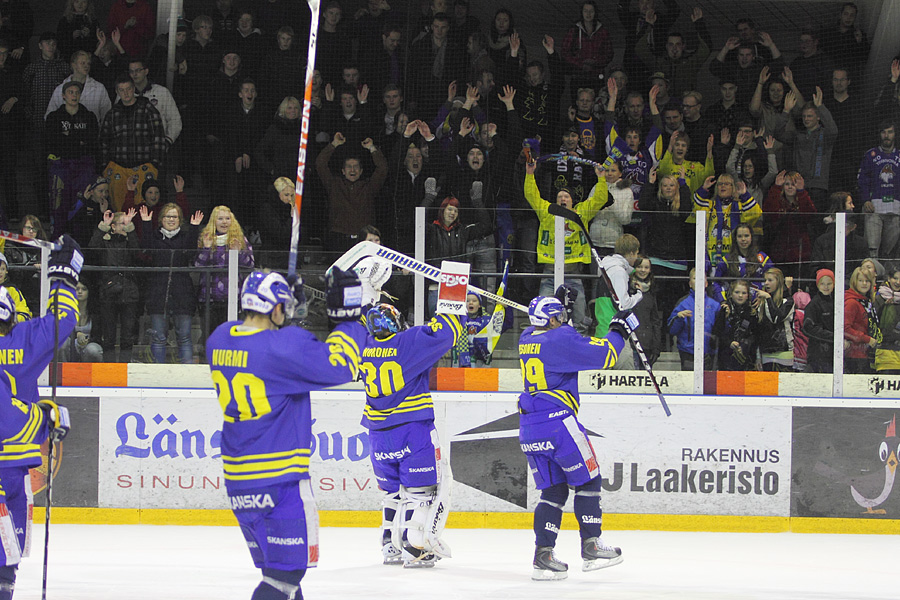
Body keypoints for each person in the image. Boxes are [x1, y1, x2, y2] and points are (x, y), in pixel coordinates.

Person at [206, 268, 368, 600]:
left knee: (280, 575)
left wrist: (287, 310)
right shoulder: (283, 348)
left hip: (240, 482)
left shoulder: (219, 338)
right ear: (276, 309)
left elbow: (273, 349)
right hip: (279, 482)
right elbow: (341, 366)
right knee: (285, 577)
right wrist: (347, 318)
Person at [518, 295, 632, 580]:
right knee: (589, 480)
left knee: (554, 492)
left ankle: (543, 556)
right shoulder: (561, 339)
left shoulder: (525, 336)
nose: (566, 320)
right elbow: (606, 354)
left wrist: (553, 300)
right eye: (561, 316)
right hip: (558, 424)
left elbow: (551, 330)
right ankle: (592, 546)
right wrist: (619, 329)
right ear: (554, 320)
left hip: (529, 426)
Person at [0, 233, 81, 600]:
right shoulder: (24, 338)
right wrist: (64, 273)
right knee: (7, 556)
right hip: (13, 466)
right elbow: (63, 318)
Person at [361, 303, 462, 567]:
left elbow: (361, 313)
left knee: (392, 493)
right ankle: (415, 546)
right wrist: (455, 297)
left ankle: (390, 546)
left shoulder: (364, 345)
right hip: (411, 430)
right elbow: (448, 331)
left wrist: (369, 291)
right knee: (421, 494)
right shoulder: (408, 342)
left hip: (378, 434)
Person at [524, 158, 610, 332]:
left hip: (574, 274)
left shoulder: (582, 213)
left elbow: (600, 198)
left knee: (579, 320)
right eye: (559, 196)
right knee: (543, 317)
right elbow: (531, 195)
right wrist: (529, 174)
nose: (562, 199)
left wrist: (601, 178)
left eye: (566, 196)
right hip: (549, 274)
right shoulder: (547, 212)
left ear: (572, 201)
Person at [139, 203, 203, 364]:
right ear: (161, 219)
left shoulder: (185, 237)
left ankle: (187, 377)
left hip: (182, 294)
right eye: (168, 216)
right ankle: (157, 377)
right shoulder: (154, 236)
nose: (171, 219)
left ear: (180, 220)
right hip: (158, 294)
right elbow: (145, 250)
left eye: (175, 216)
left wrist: (194, 228)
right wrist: (146, 223)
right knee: (159, 338)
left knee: (184, 337)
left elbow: (190, 253)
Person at [99, 75, 166, 210]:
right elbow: (104, 141)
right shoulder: (112, 114)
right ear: (117, 92)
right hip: (118, 167)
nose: (126, 93)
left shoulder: (147, 109)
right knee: (119, 210)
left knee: (143, 209)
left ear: (133, 88)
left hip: (144, 167)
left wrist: (155, 164)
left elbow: (158, 137)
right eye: (121, 90)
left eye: (128, 89)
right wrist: (105, 166)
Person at [44, 79, 99, 238]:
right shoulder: (54, 117)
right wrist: (78, 140)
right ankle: (57, 244)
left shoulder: (89, 116)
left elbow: (92, 143)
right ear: (63, 96)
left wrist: (68, 138)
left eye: (77, 92)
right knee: (58, 205)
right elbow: (52, 143)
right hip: (60, 166)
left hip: (83, 166)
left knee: (82, 203)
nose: (74, 95)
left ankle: (81, 245)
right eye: (70, 92)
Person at [195, 205, 255, 347]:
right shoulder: (206, 238)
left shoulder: (240, 239)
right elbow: (197, 266)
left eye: (227, 219)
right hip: (210, 298)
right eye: (220, 219)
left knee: (231, 339)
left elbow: (250, 265)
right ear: (214, 221)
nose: (224, 222)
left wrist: (238, 252)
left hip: (232, 298)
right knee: (210, 339)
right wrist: (206, 248)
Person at [90, 208, 140, 362]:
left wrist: (130, 229)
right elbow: (91, 249)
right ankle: (109, 370)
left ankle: (125, 368)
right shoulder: (105, 243)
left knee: (127, 336)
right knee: (109, 336)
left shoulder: (130, 241)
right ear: (113, 226)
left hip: (129, 292)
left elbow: (138, 253)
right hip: (108, 292)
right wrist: (102, 226)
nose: (125, 226)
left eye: (128, 223)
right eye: (123, 223)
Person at [693, 173, 762, 268]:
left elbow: (755, 213)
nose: (723, 186)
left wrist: (745, 195)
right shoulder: (710, 205)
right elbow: (696, 208)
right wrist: (703, 189)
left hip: (735, 256)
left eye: (726, 183)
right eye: (720, 184)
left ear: (733, 187)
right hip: (712, 256)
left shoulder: (739, 206)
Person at [858, 119, 900, 259]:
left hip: (895, 210)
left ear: (895, 134)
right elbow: (862, 180)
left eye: (890, 132)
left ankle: (886, 278)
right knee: (872, 250)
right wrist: (865, 200)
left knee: (889, 251)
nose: (886, 135)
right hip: (874, 209)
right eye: (883, 132)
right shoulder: (871, 155)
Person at [763, 170, 815, 280]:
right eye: (787, 184)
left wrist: (801, 191)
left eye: (793, 184)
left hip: (799, 256)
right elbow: (768, 213)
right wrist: (776, 187)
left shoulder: (804, 199)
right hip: (779, 255)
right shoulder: (777, 201)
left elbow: (810, 215)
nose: (790, 187)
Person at [668, 267, 720, 370]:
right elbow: (671, 330)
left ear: (706, 283)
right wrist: (678, 318)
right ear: (690, 283)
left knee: (708, 384)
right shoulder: (683, 304)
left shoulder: (715, 305)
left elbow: (720, 331)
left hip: (709, 353)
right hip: (688, 353)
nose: (699, 281)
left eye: (702, 278)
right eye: (695, 278)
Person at [594, 233, 642, 339]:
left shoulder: (608, 268)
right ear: (631, 253)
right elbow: (623, 305)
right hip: (613, 332)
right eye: (636, 254)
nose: (637, 258)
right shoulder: (618, 272)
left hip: (605, 328)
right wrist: (639, 294)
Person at [711, 223, 771, 302]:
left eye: (746, 236)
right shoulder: (727, 260)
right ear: (735, 238)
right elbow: (715, 283)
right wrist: (723, 301)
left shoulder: (762, 258)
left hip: (758, 306)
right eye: (739, 236)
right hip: (734, 306)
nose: (743, 239)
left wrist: (763, 297)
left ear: (752, 237)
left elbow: (774, 279)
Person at [713, 279, 760, 371]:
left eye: (744, 293)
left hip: (746, 357)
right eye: (737, 292)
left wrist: (744, 345)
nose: (740, 295)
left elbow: (756, 336)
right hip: (726, 357)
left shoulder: (752, 312)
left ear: (748, 295)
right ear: (731, 293)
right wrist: (729, 343)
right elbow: (717, 333)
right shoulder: (725, 309)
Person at [755, 267, 795, 371]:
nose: (766, 283)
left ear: (779, 282)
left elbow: (776, 318)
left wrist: (768, 298)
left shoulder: (788, 301)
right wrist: (758, 356)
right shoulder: (761, 301)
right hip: (766, 352)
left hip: (783, 352)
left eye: (770, 280)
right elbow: (758, 331)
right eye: (765, 280)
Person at [844, 266, 880, 374]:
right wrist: (867, 339)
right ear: (855, 282)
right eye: (860, 280)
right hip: (854, 355)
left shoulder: (866, 302)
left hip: (865, 353)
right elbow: (845, 328)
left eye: (867, 281)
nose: (864, 283)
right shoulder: (852, 302)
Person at [629, 256, 661, 366]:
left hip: (647, 344)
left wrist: (656, 348)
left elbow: (655, 321)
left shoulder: (652, 291)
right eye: (639, 267)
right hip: (630, 344)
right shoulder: (626, 288)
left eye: (646, 267)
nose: (643, 270)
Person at [60, 280, 103, 362]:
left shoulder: (95, 313)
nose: (80, 292)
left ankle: (90, 373)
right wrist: (76, 335)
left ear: (88, 292)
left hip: (88, 347)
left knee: (93, 350)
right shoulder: (65, 311)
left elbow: (98, 337)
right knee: (62, 343)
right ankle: (62, 372)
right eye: (77, 289)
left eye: (84, 289)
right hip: (71, 348)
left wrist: (87, 339)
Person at [803, 269, 835, 373]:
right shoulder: (813, 304)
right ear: (817, 285)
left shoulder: (837, 301)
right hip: (818, 353)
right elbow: (808, 327)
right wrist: (832, 336)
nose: (826, 287)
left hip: (833, 353)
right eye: (822, 284)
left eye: (829, 283)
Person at [875, 263, 900, 374]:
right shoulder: (879, 297)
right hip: (885, 351)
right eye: (895, 278)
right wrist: (884, 307)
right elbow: (873, 321)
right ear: (889, 278)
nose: (898, 282)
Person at [0, 252, 30, 322]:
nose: (0, 272)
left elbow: (24, 313)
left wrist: (9, 321)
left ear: (7, 271)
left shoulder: (12, 290)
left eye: (3, 269)